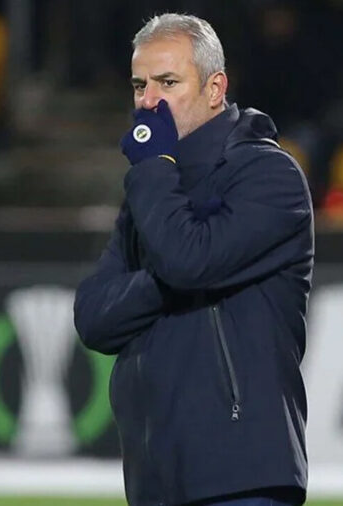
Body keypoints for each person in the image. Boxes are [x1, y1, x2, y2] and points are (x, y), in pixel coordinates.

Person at [73, 13, 313, 506]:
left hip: (241, 475)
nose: (148, 102)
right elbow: (94, 318)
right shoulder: (150, 192)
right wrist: (171, 271)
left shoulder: (269, 175)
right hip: (156, 478)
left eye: (168, 83)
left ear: (214, 88)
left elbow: (187, 262)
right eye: (139, 85)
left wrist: (156, 181)